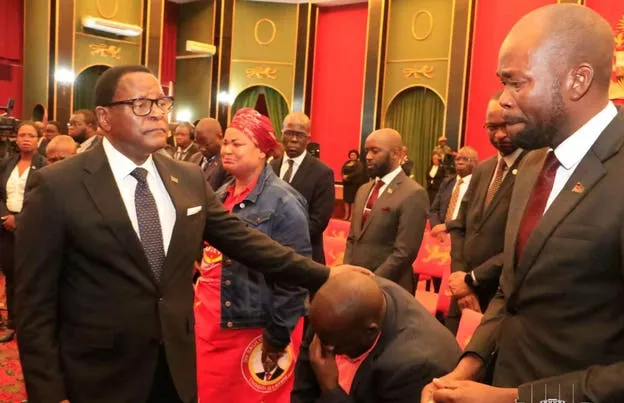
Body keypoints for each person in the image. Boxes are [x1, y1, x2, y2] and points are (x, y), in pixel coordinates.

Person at [14, 65, 365, 403]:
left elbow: (245, 242)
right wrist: (48, 392)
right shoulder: (58, 186)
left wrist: (324, 273)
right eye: (141, 105)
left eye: (162, 103)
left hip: (175, 370)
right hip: (97, 376)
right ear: (105, 118)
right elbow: (34, 304)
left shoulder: (187, 178)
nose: (157, 114)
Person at [424, 4, 624, 403]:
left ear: (577, 80)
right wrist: (467, 366)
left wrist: (511, 398)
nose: (503, 100)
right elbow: (512, 290)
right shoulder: (534, 164)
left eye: (516, 83)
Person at [195, 108, 309, 403]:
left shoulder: (284, 202)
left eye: (237, 143)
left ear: (262, 151)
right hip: (211, 325)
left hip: (254, 330)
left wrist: (277, 336)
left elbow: (295, 277)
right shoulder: (220, 194)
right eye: (225, 143)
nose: (227, 150)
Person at [291, 272, 460, 403]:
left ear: (370, 331)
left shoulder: (415, 367)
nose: (327, 351)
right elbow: (304, 383)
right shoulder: (333, 307)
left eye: (336, 346)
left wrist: (331, 390)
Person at [444, 93, 526, 334]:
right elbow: (459, 225)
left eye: (506, 125)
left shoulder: (537, 169)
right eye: (492, 127)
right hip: (461, 295)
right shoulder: (484, 168)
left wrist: (472, 278)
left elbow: (523, 243)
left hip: (500, 296)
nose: (499, 134)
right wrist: (460, 278)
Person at [344, 129, 429, 294]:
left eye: (375, 151)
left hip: (390, 289)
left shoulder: (413, 193)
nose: (368, 156)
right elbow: (352, 238)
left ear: (396, 154)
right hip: (355, 286)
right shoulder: (363, 190)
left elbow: (404, 252)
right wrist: (348, 273)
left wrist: (372, 282)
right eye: (367, 151)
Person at [0, 122, 46, 342]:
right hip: (6, 226)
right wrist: (6, 216)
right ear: (15, 139)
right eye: (22, 135)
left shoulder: (45, 165)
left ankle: (31, 325)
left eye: (31, 135)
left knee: (31, 278)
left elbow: (44, 198)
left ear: (38, 139)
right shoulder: (6, 164)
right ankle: (12, 324)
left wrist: (20, 219)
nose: (25, 139)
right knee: (11, 277)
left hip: (32, 227)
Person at [271, 112, 335, 264]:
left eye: (299, 135)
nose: (293, 139)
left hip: (306, 256)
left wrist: (284, 241)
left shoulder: (322, 172)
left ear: (308, 139)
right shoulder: (270, 167)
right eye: (289, 133)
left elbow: (319, 221)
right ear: (281, 134)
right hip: (270, 254)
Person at [429, 147, 477, 242]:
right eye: (457, 159)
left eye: (465, 159)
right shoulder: (447, 182)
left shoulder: (478, 185)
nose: (460, 162)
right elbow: (434, 210)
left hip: (464, 238)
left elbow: (474, 217)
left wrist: (447, 226)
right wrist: (438, 229)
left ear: (475, 163)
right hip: (440, 239)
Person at [189, 117, 230, 191]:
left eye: (207, 144)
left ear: (220, 137)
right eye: (198, 143)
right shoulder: (194, 158)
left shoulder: (227, 162)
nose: (202, 149)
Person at [340, 149, 366, 221]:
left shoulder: (359, 164)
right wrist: (343, 176)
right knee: (346, 200)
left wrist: (348, 176)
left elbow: (358, 172)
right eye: (351, 155)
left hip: (354, 184)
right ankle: (346, 215)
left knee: (352, 201)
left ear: (357, 156)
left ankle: (351, 216)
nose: (352, 156)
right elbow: (342, 170)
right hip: (347, 184)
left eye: (354, 155)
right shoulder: (346, 163)